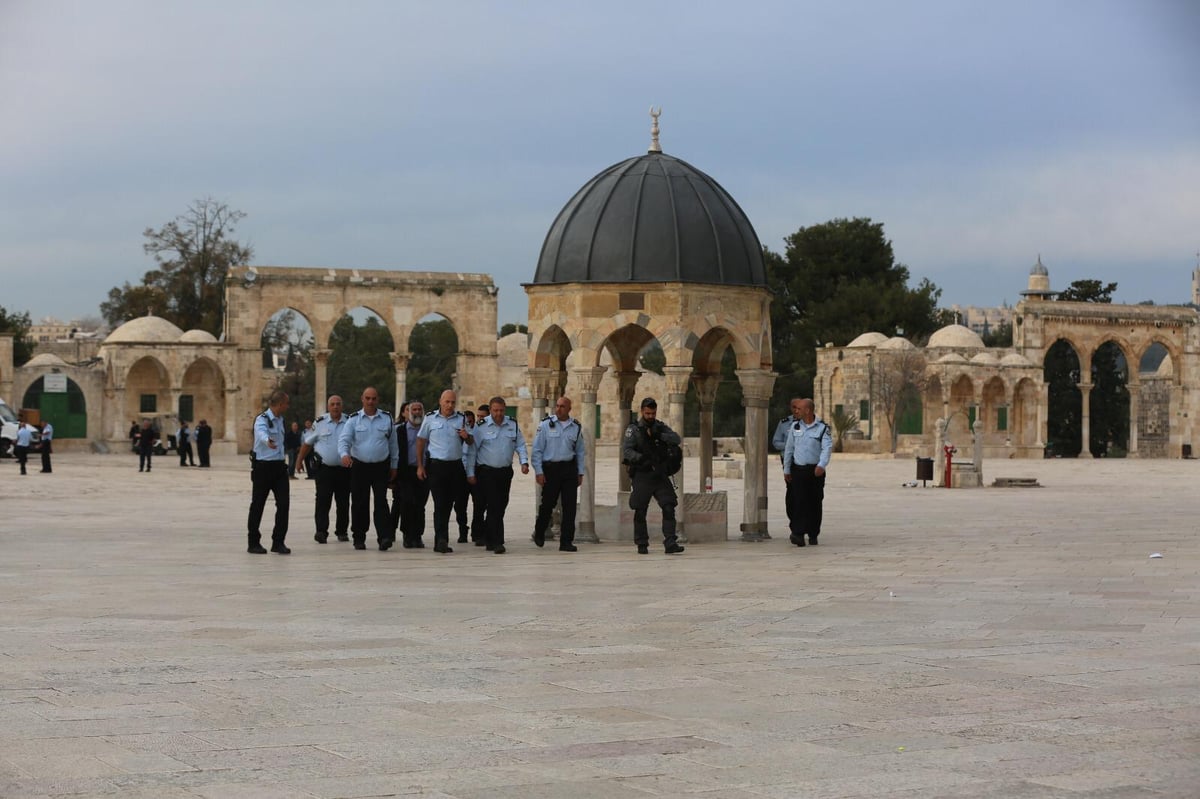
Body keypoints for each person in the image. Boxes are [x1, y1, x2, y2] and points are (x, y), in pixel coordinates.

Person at [465, 396, 529, 553]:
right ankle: (497, 541)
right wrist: (471, 472)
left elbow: (520, 444)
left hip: (505, 472)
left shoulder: (512, 424)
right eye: (495, 410)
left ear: (505, 409)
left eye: (501, 410)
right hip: (487, 472)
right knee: (494, 505)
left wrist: (524, 462)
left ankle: (489, 536)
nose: (498, 413)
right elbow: (473, 450)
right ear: (490, 410)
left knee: (502, 505)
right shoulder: (481, 426)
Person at [338, 387, 399, 551]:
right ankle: (359, 537)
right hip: (360, 466)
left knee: (381, 502)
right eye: (367, 398)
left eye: (373, 398)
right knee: (359, 502)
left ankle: (384, 537)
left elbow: (393, 444)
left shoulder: (386, 418)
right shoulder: (353, 420)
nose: (370, 401)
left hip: (381, 466)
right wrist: (344, 454)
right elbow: (344, 440)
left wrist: (394, 465)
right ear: (362, 399)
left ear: (377, 399)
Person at [622, 397, 685, 555]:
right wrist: (641, 459)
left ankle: (670, 541)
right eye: (648, 413)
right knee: (640, 509)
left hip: (659, 473)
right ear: (642, 411)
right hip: (643, 473)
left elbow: (676, 439)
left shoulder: (659, 427)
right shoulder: (634, 429)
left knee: (669, 505)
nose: (650, 416)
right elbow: (627, 451)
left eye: (653, 413)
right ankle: (642, 543)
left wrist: (659, 436)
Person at [416, 389, 471, 554]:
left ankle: (442, 539)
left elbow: (471, 440)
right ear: (440, 401)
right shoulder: (430, 418)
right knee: (440, 503)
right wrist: (420, 465)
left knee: (449, 504)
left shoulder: (461, 419)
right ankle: (441, 540)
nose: (450, 405)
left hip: (455, 467)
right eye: (447, 402)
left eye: (453, 402)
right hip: (436, 466)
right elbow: (420, 440)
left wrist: (466, 436)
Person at [531, 396, 586, 552]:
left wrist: (580, 472)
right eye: (557, 406)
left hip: (569, 469)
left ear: (569, 408)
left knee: (569, 508)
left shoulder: (575, 427)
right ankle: (540, 531)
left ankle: (566, 541)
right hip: (551, 469)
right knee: (547, 504)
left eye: (563, 406)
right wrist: (539, 471)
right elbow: (537, 450)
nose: (559, 409)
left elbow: (580, 451)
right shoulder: (546, 425)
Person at [298, 395, 351, 544]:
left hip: (344, 470)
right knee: (322, 501)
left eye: (338, 404)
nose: (335, 407)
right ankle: (321, 531)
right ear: (328, 407)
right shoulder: (320, 423)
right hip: (325, 470)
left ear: (342, 406)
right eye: (332, 404)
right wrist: (299, 460)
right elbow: (308, 443)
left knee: (343, 502)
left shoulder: (349, 422)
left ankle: (342, 531)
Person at [782, 398, 833, 547]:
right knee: (798, 502)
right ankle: (798, 533)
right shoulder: (795, 427)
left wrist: (821, 465)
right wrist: (786, 469)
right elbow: (789, 449)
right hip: (798, 470)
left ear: (808, 410)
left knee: (814, 502)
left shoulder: (823, 428)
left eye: (799, 409)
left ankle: (813, 533)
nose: (796, 411)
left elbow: (827, 448)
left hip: (815, 472)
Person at [248, 390, 292, 554]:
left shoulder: (281, 420)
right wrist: (267, 440)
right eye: (286, 403)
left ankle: (278, 541)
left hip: (279, 468)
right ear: (280, 404)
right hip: (263, 468)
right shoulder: (262, 419)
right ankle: (253, 542)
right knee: (258, 505)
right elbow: (260, 433)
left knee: (284, 504)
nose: (287, 407)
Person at [390, 400, 430, 548]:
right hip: (406, 473)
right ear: (408, 412)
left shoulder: (428, 429)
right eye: (414, 410)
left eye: (420, 409)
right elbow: (394, 451)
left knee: (420, 505)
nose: (417, 412)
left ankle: (417, 535)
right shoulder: (399, 430)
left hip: (424, 471)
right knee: (407, 504)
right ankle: (407, 535)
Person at [772, 398, 805, 529]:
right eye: (794, 407)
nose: (796, 410)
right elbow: (776, 442)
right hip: (789, 461)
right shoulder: (784, 423)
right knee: (792, 490)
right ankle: (794, 519)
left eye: (799, 407)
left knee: (805, 491)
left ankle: (804, 520)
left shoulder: (810, 423)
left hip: (805, 461)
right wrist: (790, 445)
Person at [454, 410, 477, 543]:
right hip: (460, 473)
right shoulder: (456, 436)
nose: (467, 424)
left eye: (470, 421)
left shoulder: (476, 435)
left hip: (474, 472)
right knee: (459, 505)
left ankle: (477, 530)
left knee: (478, 504)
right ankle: (463, 529)